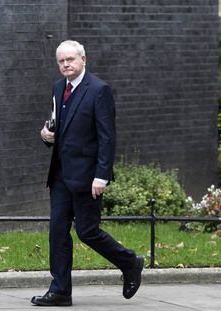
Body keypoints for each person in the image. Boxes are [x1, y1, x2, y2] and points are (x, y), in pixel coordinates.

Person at [31, 40, 144, 307]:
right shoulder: (59, 88)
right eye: (61, 61)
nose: (65, 64)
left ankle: (130, 262)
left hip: (87, 176)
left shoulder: (99, 90)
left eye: (70, 59)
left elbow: (107, 138)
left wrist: (101, 175)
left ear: (84, 59)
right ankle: (60, 291)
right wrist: (46, 135)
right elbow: (59, 126)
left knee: (87, 231)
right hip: (60, 175)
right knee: (57, 232)